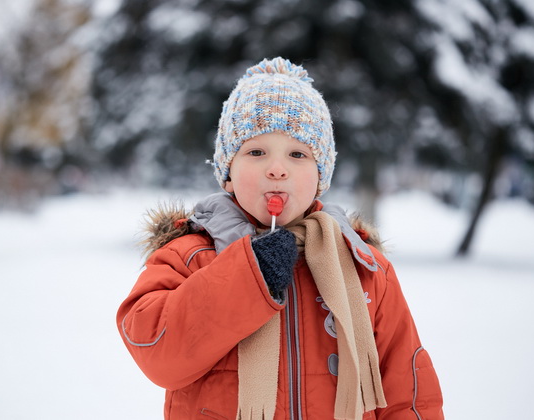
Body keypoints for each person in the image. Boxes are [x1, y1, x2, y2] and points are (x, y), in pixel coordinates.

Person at [117, 57, 444, 420]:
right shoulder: (190, 257)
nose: (277, 168)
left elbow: (407, 395)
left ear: (321, 177)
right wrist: (245, 277)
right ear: (228, 173)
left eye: (298, 154)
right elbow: (156, 353)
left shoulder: (364, 268)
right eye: (256, 152)